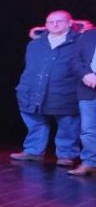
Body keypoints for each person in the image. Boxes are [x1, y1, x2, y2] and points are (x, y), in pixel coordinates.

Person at [11, 10, 81, 166]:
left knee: (67, 124)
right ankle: (33, 151)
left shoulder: (79, 42)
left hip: (65, 92)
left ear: (70, 23)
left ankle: (66, 155)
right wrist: (24, 87)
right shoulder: (35, 44)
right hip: (33, 90)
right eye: (50, 22)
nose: (54, 24)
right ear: (45, 25)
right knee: (35, 122)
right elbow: (30, 67)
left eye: (59, 21)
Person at [69, 27, 96, 176]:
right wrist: (85, 74)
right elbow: (74, 59)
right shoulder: (88, 35)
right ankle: (90, 163)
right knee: (88, 130)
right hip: (89, 88)